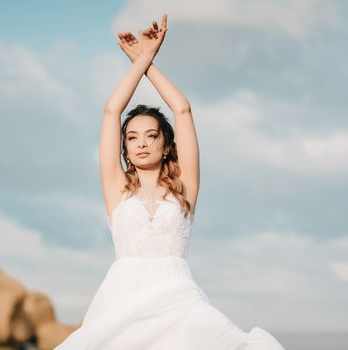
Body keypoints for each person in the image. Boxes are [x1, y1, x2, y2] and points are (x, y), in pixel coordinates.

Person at [54, 13, 285, 350]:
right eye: (132, 138)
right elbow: (110, 111)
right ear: (126, 149)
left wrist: (149, 63)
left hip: (178, 303)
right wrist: (141, 59)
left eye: (151, 136)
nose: (142, 143)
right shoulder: (117, 187)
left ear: (166, 145)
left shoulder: (185, 188)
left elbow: (183, 110)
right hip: (122, 301)